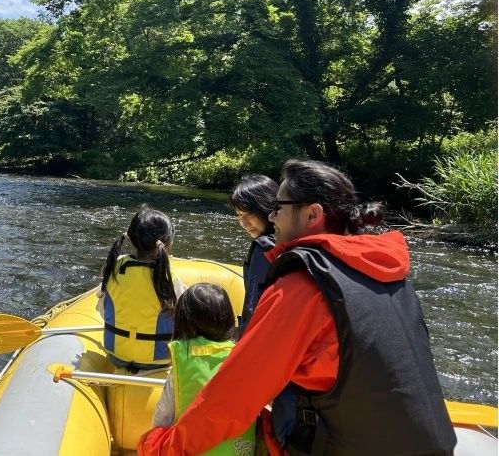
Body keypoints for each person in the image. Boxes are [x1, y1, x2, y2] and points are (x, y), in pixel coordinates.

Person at [139, 160, 457, 455]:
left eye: (279, 207)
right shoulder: (394, 278)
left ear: (312, 214)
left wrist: (162, 446)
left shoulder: (301, 287)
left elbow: (229, 402)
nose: (272, 216)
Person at [152, 283, 256, 456]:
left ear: (185, 324)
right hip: (240, 450)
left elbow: (161, 419)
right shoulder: (244, 358)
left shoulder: (183, 359)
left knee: (151, 441)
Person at [98, 207, 186, 370]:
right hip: (160, 360)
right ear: (167, 242)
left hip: (117, 355)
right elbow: (184, 321)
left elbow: (103, 311)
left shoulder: (114, 269)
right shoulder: (170, 277)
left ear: (131, 239)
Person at [228, 175, 278, 334]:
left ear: (267, 209)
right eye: (239, 215)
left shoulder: (263, 249)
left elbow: (253, 306)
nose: (243, 223)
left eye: (249, 214)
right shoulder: (292, 239)